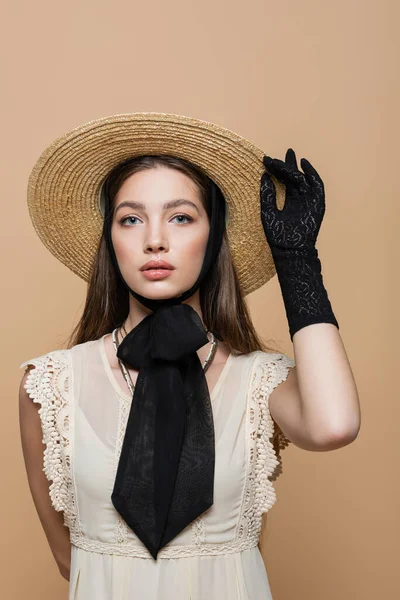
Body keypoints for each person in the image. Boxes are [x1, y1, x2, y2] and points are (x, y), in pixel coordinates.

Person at [18, 113, 360, 599]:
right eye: (130, 218)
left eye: (181, 217)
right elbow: (65, 558)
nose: (154, 239)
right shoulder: (49, 383)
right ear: (110, 242)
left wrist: (297, 262)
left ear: (213, 236)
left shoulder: (258, 380)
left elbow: (335, 425)